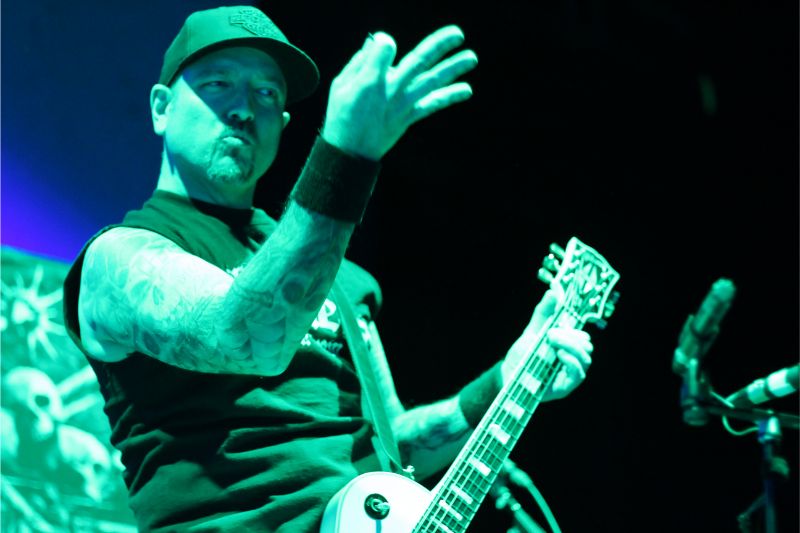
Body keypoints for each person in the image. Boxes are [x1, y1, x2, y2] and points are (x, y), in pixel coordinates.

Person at [63, 5, 594, 532]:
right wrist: (345, 158)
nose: (244, 108)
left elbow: (396, 446)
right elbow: (245, 337)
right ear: (161, 108)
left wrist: (506, 380)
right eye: (219, 83)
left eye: (267, 94)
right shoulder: (118, 260)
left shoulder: (339, 277)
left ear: (283, 125)